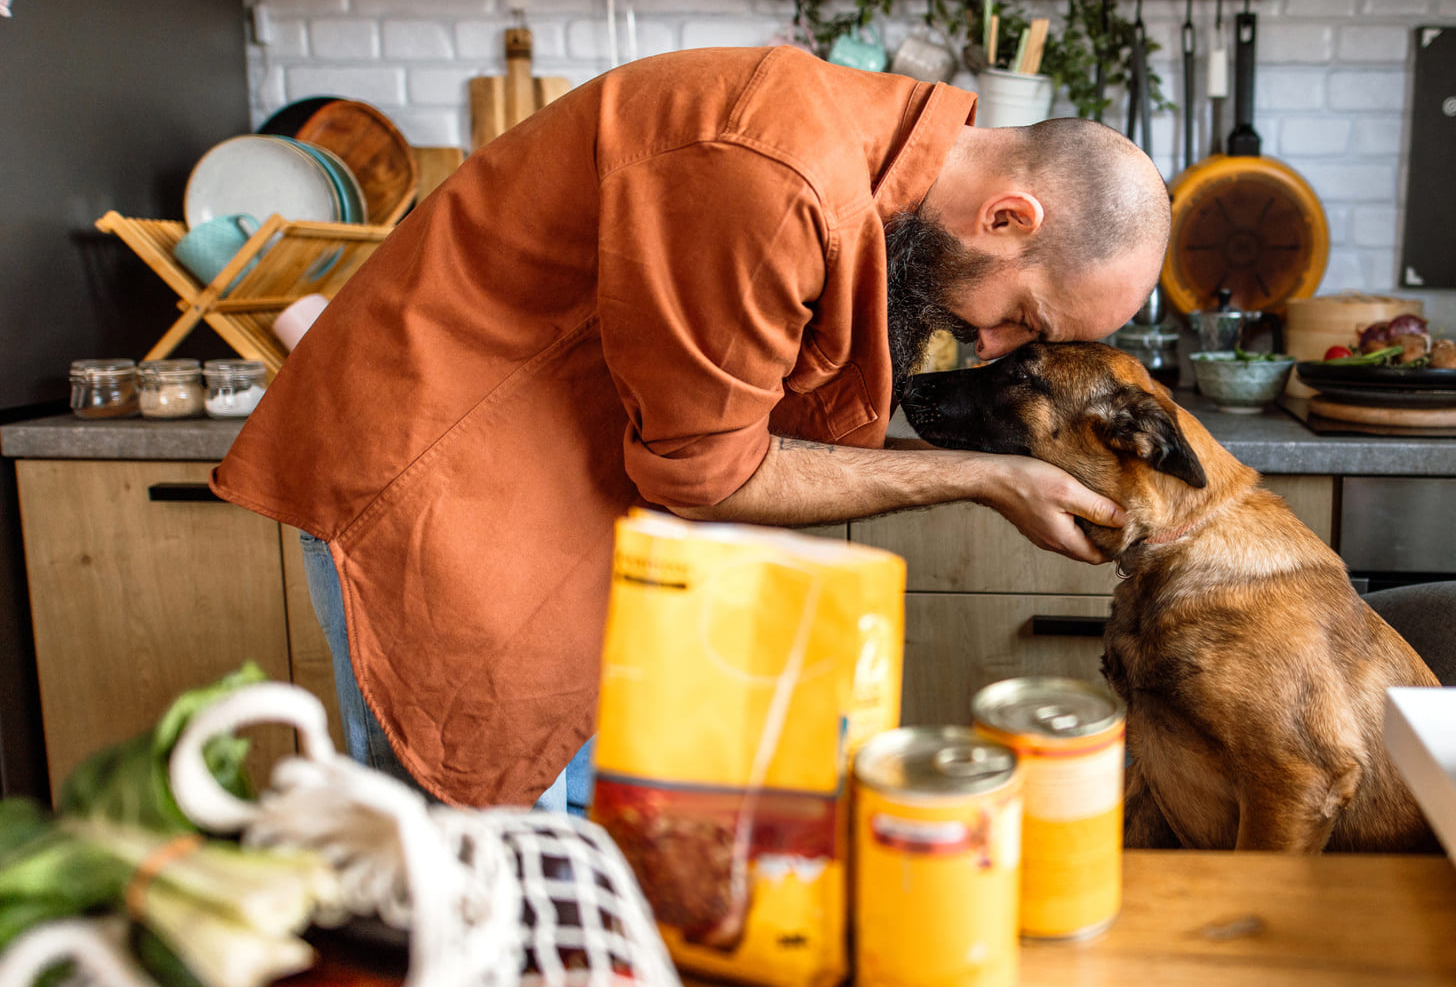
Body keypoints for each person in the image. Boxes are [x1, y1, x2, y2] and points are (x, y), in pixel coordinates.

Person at [211, 46, 1171, 812]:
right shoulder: (771, 175)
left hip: (554, 495)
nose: (991, 343)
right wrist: (988, 477)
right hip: (431, 480)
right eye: (1024, 317)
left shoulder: (872, 155)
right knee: (470, 874)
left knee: (577, 852)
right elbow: (713, 473)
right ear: (1007, 218)